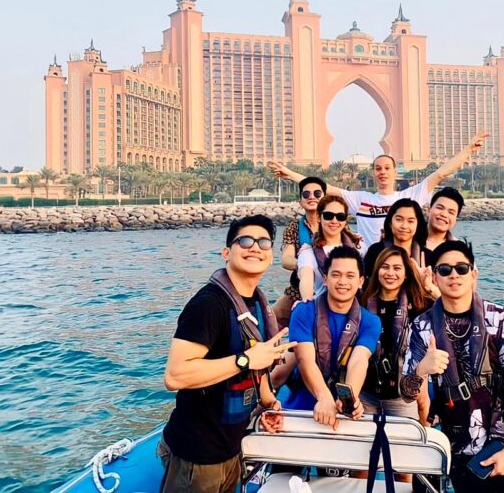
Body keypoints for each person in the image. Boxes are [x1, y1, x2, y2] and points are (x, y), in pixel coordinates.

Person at [159, 215, 296, 493]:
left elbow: (256, 371)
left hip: (231, 449)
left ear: (270, 257)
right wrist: (245, 359)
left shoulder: (255, 305)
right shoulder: (209, 305)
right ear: (226, 252)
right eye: (244, 240)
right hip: (196, 456)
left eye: (264, 242)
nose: (255, 247)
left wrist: (269, 405)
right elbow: (175, 376)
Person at [400, 240, 504, 493]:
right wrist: (422, 368)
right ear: (434, 277)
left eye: (461, 268)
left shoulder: (499, 319)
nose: (453, 274)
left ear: (473, 274)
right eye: (444, 270)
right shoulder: (422, 327)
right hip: (456, 448)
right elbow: (407, 393)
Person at [269, 130, 490, 247]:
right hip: (369, 263)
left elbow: (442, 172)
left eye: (386, 168)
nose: (382, 172)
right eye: (377, 168)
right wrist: (289, 173)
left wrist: (469, 150)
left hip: (400, 262)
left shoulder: (409, 197)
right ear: (373, 173)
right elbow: (322, 188)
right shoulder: (361, 199)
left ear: (395, 171)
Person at [281, 246, 381, 429]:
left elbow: (359, 360)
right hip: (304, 401)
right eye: (336, 275)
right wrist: (324, 398)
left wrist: (349, 400)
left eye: (350, 276)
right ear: (325, 279)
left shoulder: (371, 321)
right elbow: (305, 360)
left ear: (360, 281)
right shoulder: (303, 312)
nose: (342, 281)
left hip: (339, 405)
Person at [359, 246, 433, 422]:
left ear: (406, 274)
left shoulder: (419, 306)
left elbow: (450, 306)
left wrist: (429, 287)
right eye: (385, 267)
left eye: (397, 268)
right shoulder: (361, 302)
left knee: (407, 443)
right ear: (377, 271)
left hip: (402, 394)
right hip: (366, 391)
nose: (390, 273)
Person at [272, 176, 326, 329]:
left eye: (317, 193)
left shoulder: (334, 222)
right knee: (271, 318)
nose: (311, 197)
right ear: (300, 201)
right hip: (299, 288)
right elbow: (286, 259)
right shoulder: (294, 227)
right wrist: (307, 265)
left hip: (332, 286)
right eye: (306, 194)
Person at [297, 195, 365, 302]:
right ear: (319, 217)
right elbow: (306, 280)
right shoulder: (308, 253)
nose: (334, 221)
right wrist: (306, 303)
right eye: (328, 215)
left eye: (340, 216)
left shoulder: (359, 247)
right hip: (322, 309)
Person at [363, 198, 431, 280]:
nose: (404, 226)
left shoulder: (427, 256)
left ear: (417, 225)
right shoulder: (375, 251)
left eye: (410, 221)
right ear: (390, 223)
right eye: (399, 219)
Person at [425, 186, 465, 251]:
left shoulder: (459, 249)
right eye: (440, 208)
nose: (444, 214)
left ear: (455, 220)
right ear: (429, 210)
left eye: (451, 212)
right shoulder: (408, 238)